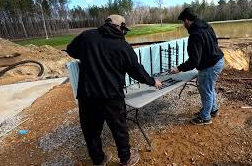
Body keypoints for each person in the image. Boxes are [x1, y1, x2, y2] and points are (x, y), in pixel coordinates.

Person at [66, 14, 162, 166]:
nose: (125, 34)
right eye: (125, 30)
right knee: (119, 130)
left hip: (87, 96)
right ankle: (126, 159)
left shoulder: (87, 36)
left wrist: (88, 55)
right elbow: (136, 71)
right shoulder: (123, 46)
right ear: (121, 27)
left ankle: (98, 160)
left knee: (91, 132)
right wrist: (152, 81)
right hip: (112, 97)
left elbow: (70, 50)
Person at [170, 8, 225, 126]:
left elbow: (194, 61)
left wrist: (179, 68)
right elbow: (215, 43)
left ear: (187, 21)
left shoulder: (195, 35)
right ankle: (213, 110)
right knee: (208, 88)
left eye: (183, 22)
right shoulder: (206, 25)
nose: (183, 25)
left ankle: (205, 117)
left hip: (210, 65)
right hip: (217, 59)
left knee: (205, 90)